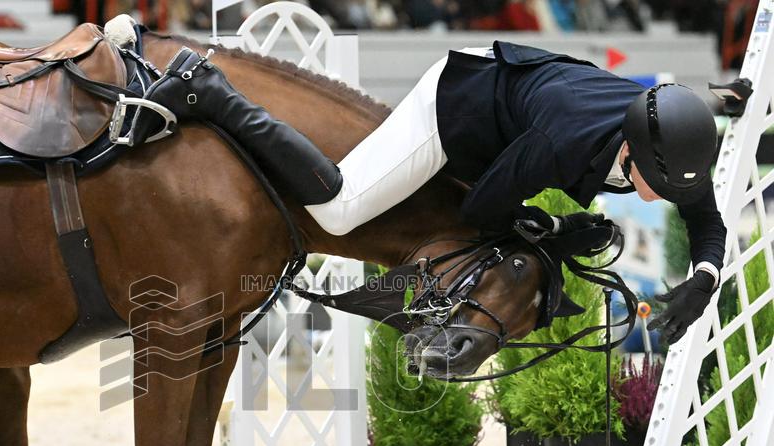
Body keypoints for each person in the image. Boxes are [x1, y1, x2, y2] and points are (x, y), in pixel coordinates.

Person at [131, 42, 725, 345]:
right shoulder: (559, 140)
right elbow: (482, 209)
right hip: (456, 108)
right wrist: (554, 229)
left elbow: (708, 220)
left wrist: (703, 279)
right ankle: (210, 90)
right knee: (338, 211)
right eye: (655, 185)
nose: (656, 199)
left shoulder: (661, 144)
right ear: (634, 151)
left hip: (512, 119)